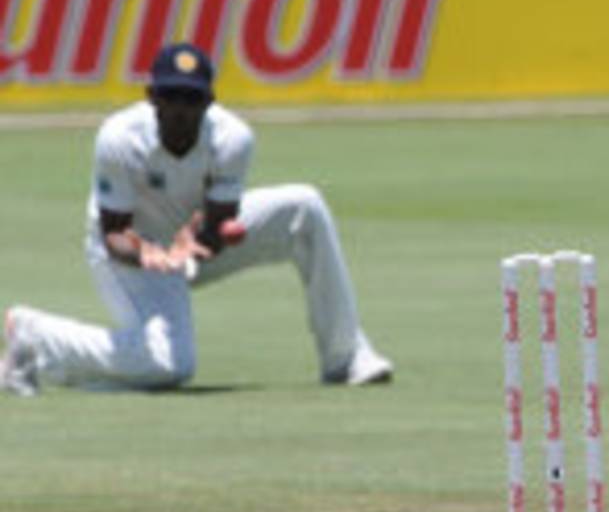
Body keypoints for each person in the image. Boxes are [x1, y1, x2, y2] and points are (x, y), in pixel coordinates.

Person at [0, 43, 393, 396]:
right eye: (171, 96)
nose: (180, 110)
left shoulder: (233, 137)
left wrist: (196, 240)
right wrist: (147, 254)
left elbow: (222, 218)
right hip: (128, 248)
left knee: (305, 207)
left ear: (209, 101)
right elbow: (114, 232)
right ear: (152, 96)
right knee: (170, 366)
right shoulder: (119, 137)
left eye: (191, 99)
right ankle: (35, 337)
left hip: (192, 237)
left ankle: (346, 357)